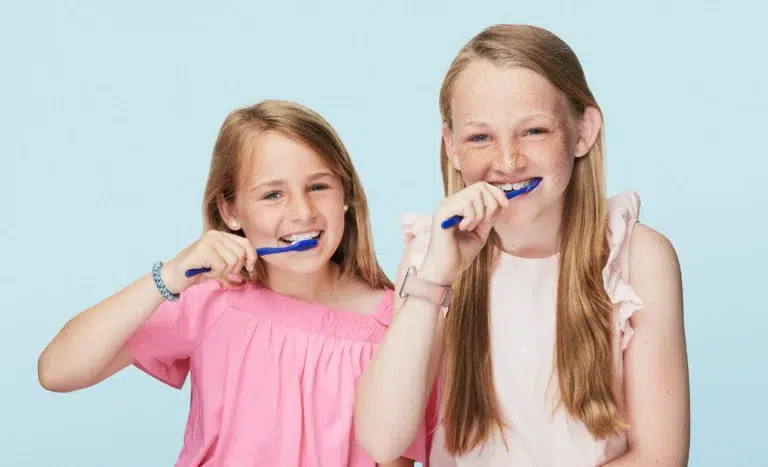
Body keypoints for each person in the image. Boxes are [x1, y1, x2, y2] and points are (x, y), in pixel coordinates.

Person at [354, 25, 690, 466]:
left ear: (583, 131)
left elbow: (660, 457)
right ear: (451, 147)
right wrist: (436, 277)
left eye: (533, 131)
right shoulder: (429, 256)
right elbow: (383, 442)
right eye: (480, 137)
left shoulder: (637, 259)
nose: (508, 161)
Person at [38, 100, 427, 466]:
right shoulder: (212, 301)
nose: (303, 211)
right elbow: (57, 371)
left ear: (346, 196)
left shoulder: (401, 323)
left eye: (318, 186)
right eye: (273, 194)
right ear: (229, 211)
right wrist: (169, 277)